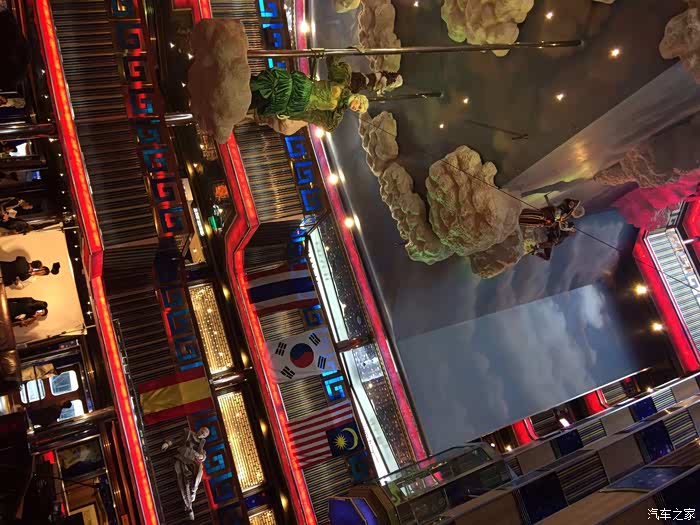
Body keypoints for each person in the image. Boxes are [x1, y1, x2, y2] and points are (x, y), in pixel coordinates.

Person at [249, 56, 369, 132]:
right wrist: (351, 49)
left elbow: (311, 116)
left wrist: (290, 114)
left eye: (358, 110)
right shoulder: (343, 82)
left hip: (299, 104)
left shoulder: (336, 114)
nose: (356, 108)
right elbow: (332, 60)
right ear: (359, 97)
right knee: (266, 86)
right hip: (301, 87)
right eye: (359, 105)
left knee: (261, 101)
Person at [161, 427, 210, 521]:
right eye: (202, 431)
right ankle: (189, 508)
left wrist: (202, 456)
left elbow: (203, 455)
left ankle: (194, 491)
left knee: (199, 471)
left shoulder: (201, 444)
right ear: (199, 429)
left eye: (204, 435)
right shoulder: (188, 433)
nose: (201, 434)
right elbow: (176, 440)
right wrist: (168, 443)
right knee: (184, 483)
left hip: (192, 463)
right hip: (181, 459)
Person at [519, 196, 585, 228]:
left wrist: (557, 220)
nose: (575, 214)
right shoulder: (570, 207)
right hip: (548, 214)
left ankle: (521, 219)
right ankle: (520, 217)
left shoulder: (569, 212)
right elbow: (558, 212)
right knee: (536, 216)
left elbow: (559, 218)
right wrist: (557, 219)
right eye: (577, 213)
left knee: (537, 222)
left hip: (548, 216)